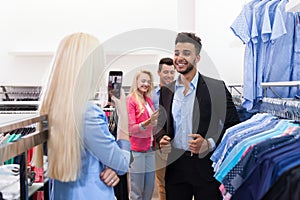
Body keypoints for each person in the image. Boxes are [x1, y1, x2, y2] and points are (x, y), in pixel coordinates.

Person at [39, 33, 131, 199]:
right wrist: (123, 116)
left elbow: (79, 155)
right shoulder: (88, 113)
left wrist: (109, 166)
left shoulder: (51, 110)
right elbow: (122, 164)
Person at [156, 32, 240, 200]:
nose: (180, 57)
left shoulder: (216, 88)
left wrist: (208, 143)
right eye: (177, 52)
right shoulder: (166, 91)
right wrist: (161, 138)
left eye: (186, 53)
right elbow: (160, 124)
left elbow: (233, 126)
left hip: (206, 167)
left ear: (197, 58)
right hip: (175, 167)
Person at [126, 70, 159, 200]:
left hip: (149, 148)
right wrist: (148, 122)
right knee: (136, 191)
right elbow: (131, 129)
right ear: (136, 82)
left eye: (148, 81)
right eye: (143, 81)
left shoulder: (148, 100)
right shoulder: (131, 100)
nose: (145, 84)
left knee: (149, 189)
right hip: (137, 151)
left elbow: (152, 125)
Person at [152, 57, 175, 200]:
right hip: (158, 144)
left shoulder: (179, 93)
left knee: (178, 183)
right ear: (159, 72)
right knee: (162, 183)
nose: (169, 76)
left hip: (176, 145)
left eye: (172, 73)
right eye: (166, 72)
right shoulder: (151, 95)